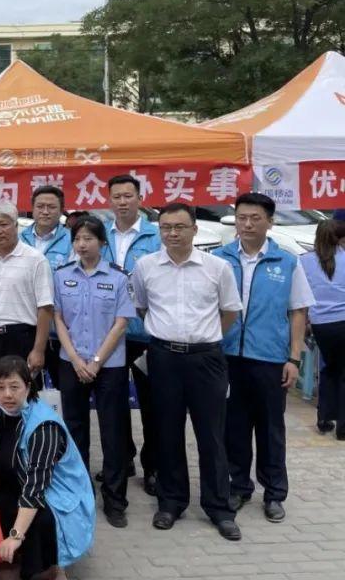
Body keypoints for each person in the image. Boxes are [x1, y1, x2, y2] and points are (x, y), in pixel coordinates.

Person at [131, 203, 243, 540]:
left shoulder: (217, 267)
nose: (172, 233)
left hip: (206, 358)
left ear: (194, 229)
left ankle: (219, 507)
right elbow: (142, 306)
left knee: (211, 435)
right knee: (166, 431)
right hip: (163, 356)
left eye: (179, 227)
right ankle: (171, 502)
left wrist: (205, 338)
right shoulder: (146, 267)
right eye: (166, 227)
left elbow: (229, 311)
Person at [213, 193, 314, 522]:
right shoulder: (219, 258)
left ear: (270, 222)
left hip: (270, 359)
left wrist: (294, 358)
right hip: (228, 356)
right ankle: (239, 486)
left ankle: (274, 493)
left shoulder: (287, 262)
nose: (247, 224)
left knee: (271, 429)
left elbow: (298, 311)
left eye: (255, 218)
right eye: (242, 217)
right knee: (234, 426)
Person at [53, 215, 135, 529]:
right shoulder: (61, 276)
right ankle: (80, 493)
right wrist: (75, 359)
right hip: (71, 363)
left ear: (102, 242)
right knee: (74, 430)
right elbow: (58, 319)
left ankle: (115, 501)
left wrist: (97, 361)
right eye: (77, 239)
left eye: (88, 238)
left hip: (109, 366)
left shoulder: (118, 277)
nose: (82, 244)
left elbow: (121, 323)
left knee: (113, 433)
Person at [0, 355, 95, 580]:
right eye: (1, 388)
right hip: (23, 483)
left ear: (28, 387)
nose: (7, 394)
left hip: (57, 499)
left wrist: (15, 536)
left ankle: (51, 569)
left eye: (14, 387)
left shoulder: (44, 428)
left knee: (38, 515)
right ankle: (13, 557)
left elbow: (35, 488)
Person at [101, 173, 162, 495]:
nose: (122, 202)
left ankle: (153, 467)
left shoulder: (156, 235)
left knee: (152, 404)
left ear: (140, 198)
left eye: (128, 196)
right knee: (112, 403)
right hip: (108, 333)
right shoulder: (100, 234)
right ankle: (121, 458)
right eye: (117, 197)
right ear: (109, 200)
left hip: (145, 333)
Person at [0, 199, 54, 435]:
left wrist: (38, 350)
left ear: (16, 225)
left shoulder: (35, 259)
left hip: (21, 338)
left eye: (3, 224)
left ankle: (28, 446)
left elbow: (45, 307)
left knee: (22, 398)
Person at [20, 185, 73, 391]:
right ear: (32, 208)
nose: (45, 211)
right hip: (25, 327)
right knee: (27, 389)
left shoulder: (73, 240)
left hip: (61, 331)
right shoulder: (19, 239)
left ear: (61, 210)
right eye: (40, 206)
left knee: (65, 389)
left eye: (51, 207)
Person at [300, 218, 345, 441]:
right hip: (343, 321)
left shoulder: (303, 261)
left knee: (329, 369)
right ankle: (343, 427)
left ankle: (324, 419)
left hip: (320, 325)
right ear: (339, 239)